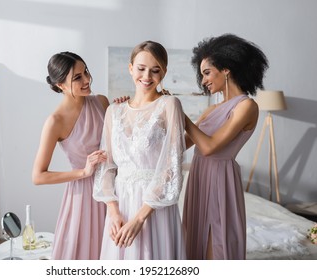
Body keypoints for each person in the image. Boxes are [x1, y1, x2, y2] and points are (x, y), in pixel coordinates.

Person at [93, 40, 187, 260]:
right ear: (130, 68)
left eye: (155, 71)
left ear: (163, 72)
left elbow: (170, 166)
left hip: (154, 207)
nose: (147, 76)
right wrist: (113, 210)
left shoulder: (169, 105)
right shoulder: (113, 111)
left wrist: (139, 219)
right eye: (141, 68)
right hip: (120, 208)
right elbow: (106, 165)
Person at [181, 33, 269, 260]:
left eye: (207, 73)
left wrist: (179, 114)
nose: (204, 81)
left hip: (220, 179)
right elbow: (181, 144)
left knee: (216, 243)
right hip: (200, 177)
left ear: (227, 69)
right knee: (195, 240)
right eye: (202, 75)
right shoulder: (211, 110)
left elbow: (209, 147)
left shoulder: (247, 106)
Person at [32, 51, 109, 260]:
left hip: (113, 188)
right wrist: (83, 172)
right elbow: (38, 176)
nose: (86, 80)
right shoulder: (55, 122)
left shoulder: (102, 102)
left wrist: (122, 112)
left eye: (86, 72)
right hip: (84, 196)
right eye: (77, 77)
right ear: (60, 85)